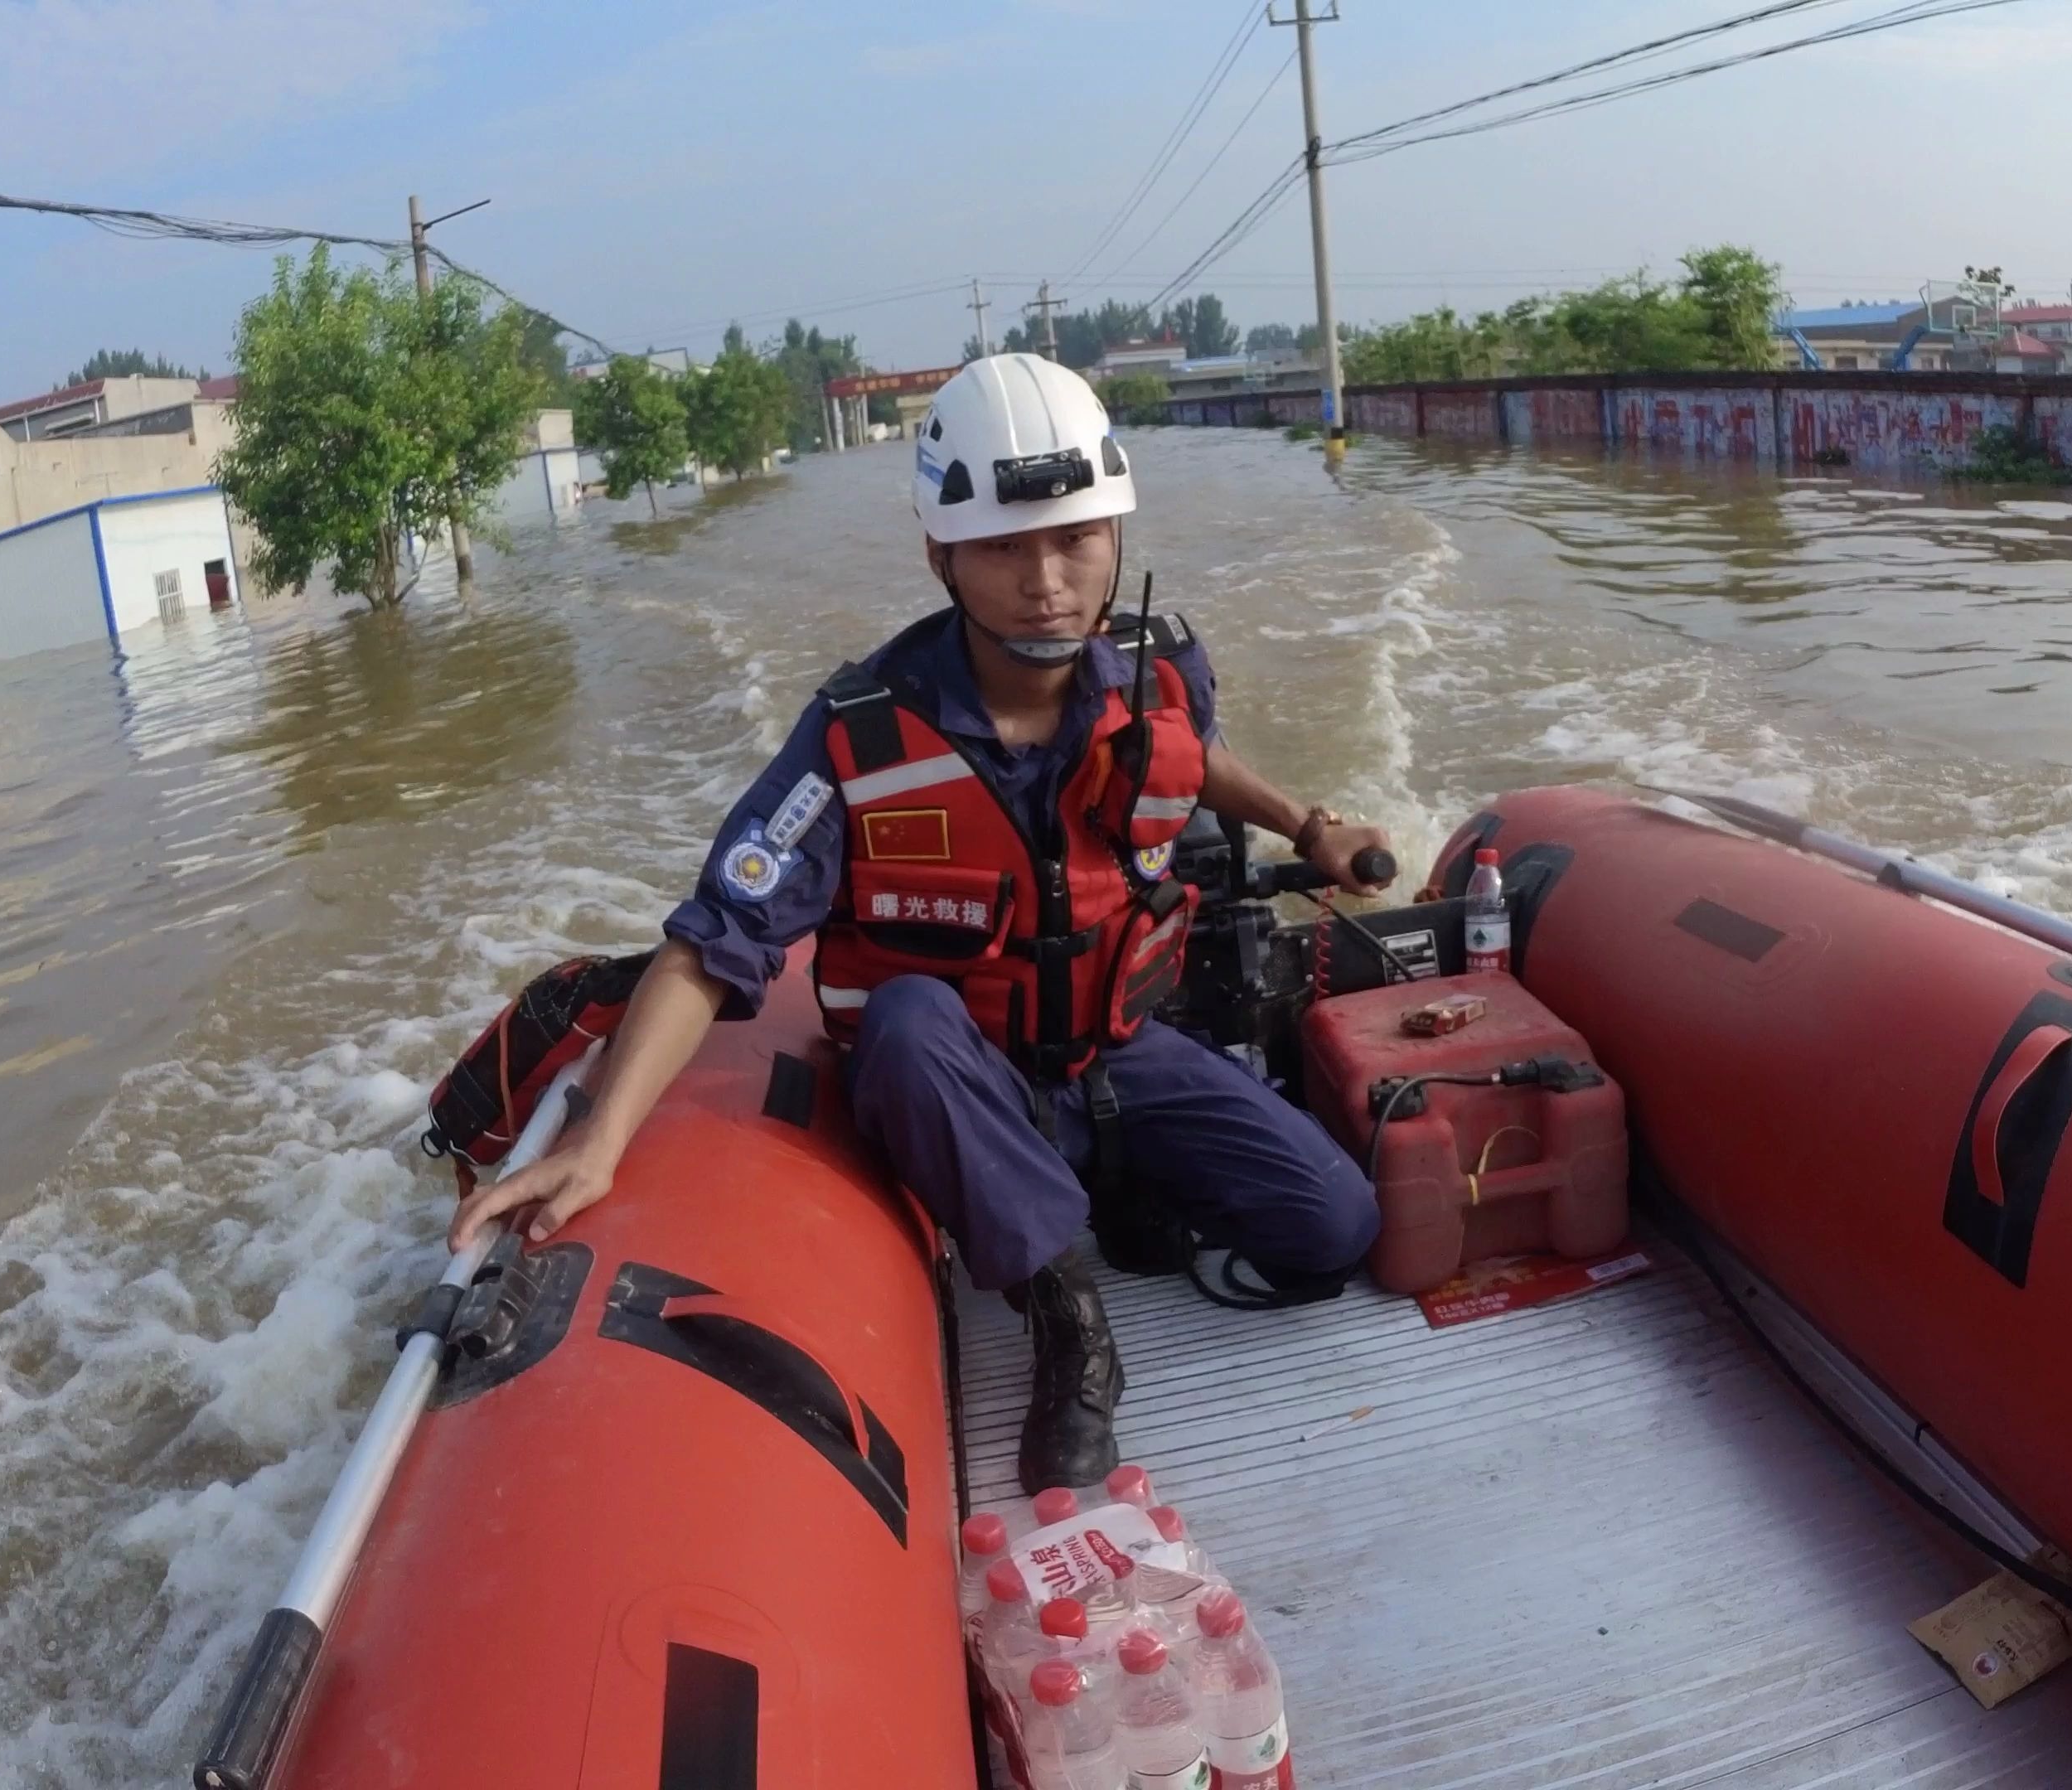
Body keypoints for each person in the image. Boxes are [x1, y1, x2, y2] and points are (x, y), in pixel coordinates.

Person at [453, 354, 1391, 1492]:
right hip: (958, 1080)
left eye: (1075, 538)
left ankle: (1122, 1193)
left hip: (1117, 1052)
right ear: (942, 553)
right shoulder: (859, 736)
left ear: (1115, 534)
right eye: (1004, 546)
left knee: (1335, 1226)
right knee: (900, 1021)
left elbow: (1195, 765)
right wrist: (597, 1144)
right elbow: (713, 945)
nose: (1047, 579)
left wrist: (1310, 820)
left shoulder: (1162, 669)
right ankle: (1065, 1316)